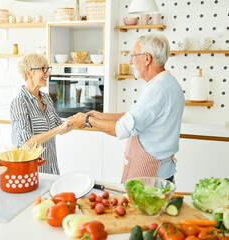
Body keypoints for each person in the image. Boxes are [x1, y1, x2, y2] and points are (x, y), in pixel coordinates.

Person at [68, 33, 185, 183]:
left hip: (151, 176)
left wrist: (87, 120)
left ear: (147, 59)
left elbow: (122, 129)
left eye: (133, 55)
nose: (130, 61)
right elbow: (136, 116)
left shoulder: (157, 89)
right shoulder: (168, 83)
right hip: (161, 172)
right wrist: (102, 116)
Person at [10, 53, 73, 175]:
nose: (48, 73)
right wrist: (60, 127)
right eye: (43, 69)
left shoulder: (45, 98)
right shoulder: (19, 102)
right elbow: (27, 143)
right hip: (31, 172)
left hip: (51, 168)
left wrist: (81, 120)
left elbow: (59, 127)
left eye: (48, 69)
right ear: (29, 73)